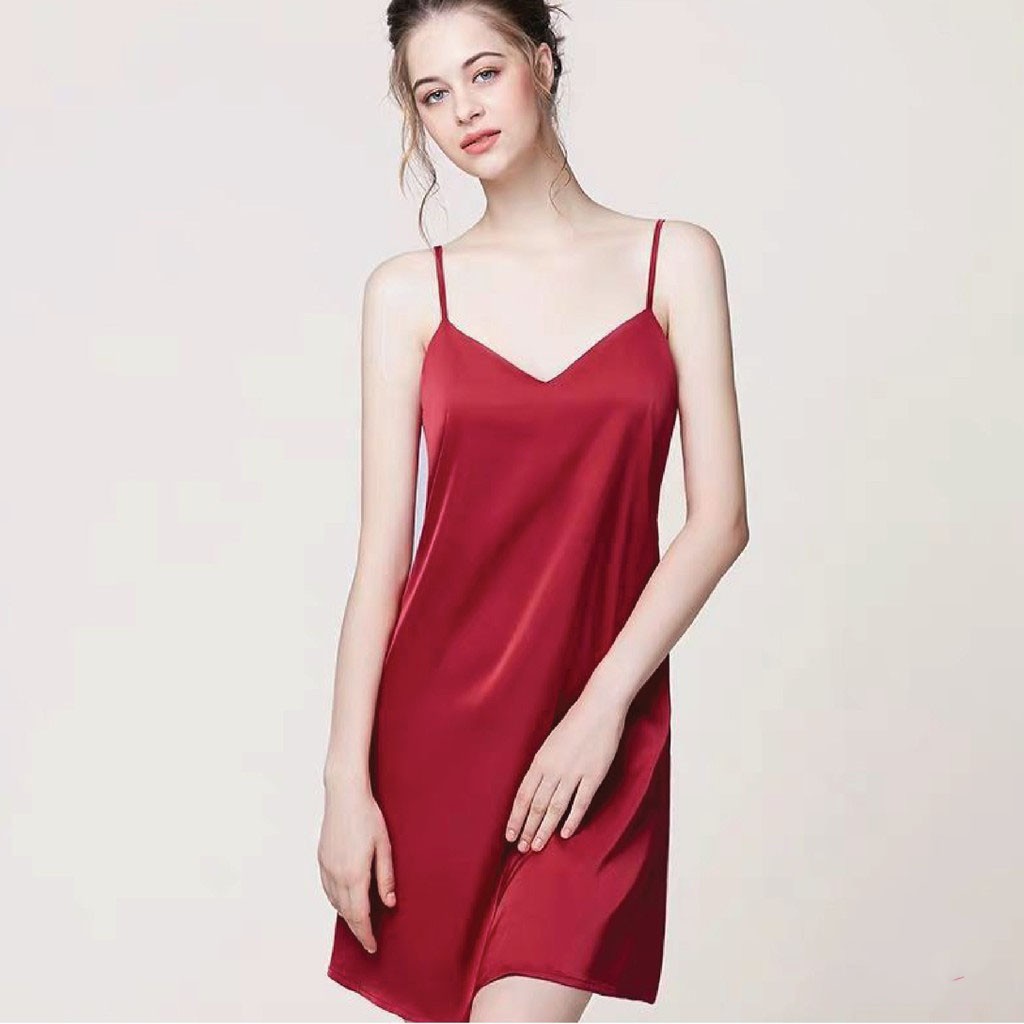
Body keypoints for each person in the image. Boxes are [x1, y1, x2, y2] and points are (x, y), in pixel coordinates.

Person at [319, 1, 748, 1020]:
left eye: (484, 72)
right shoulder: (408, 294)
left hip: (596, 725)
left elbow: (720, 519)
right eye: (433, 94)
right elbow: (382, 563)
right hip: (437, 737)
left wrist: (601, 710)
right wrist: (345, 784)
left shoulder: (672, 259)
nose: (463, 109)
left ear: (542, 65)